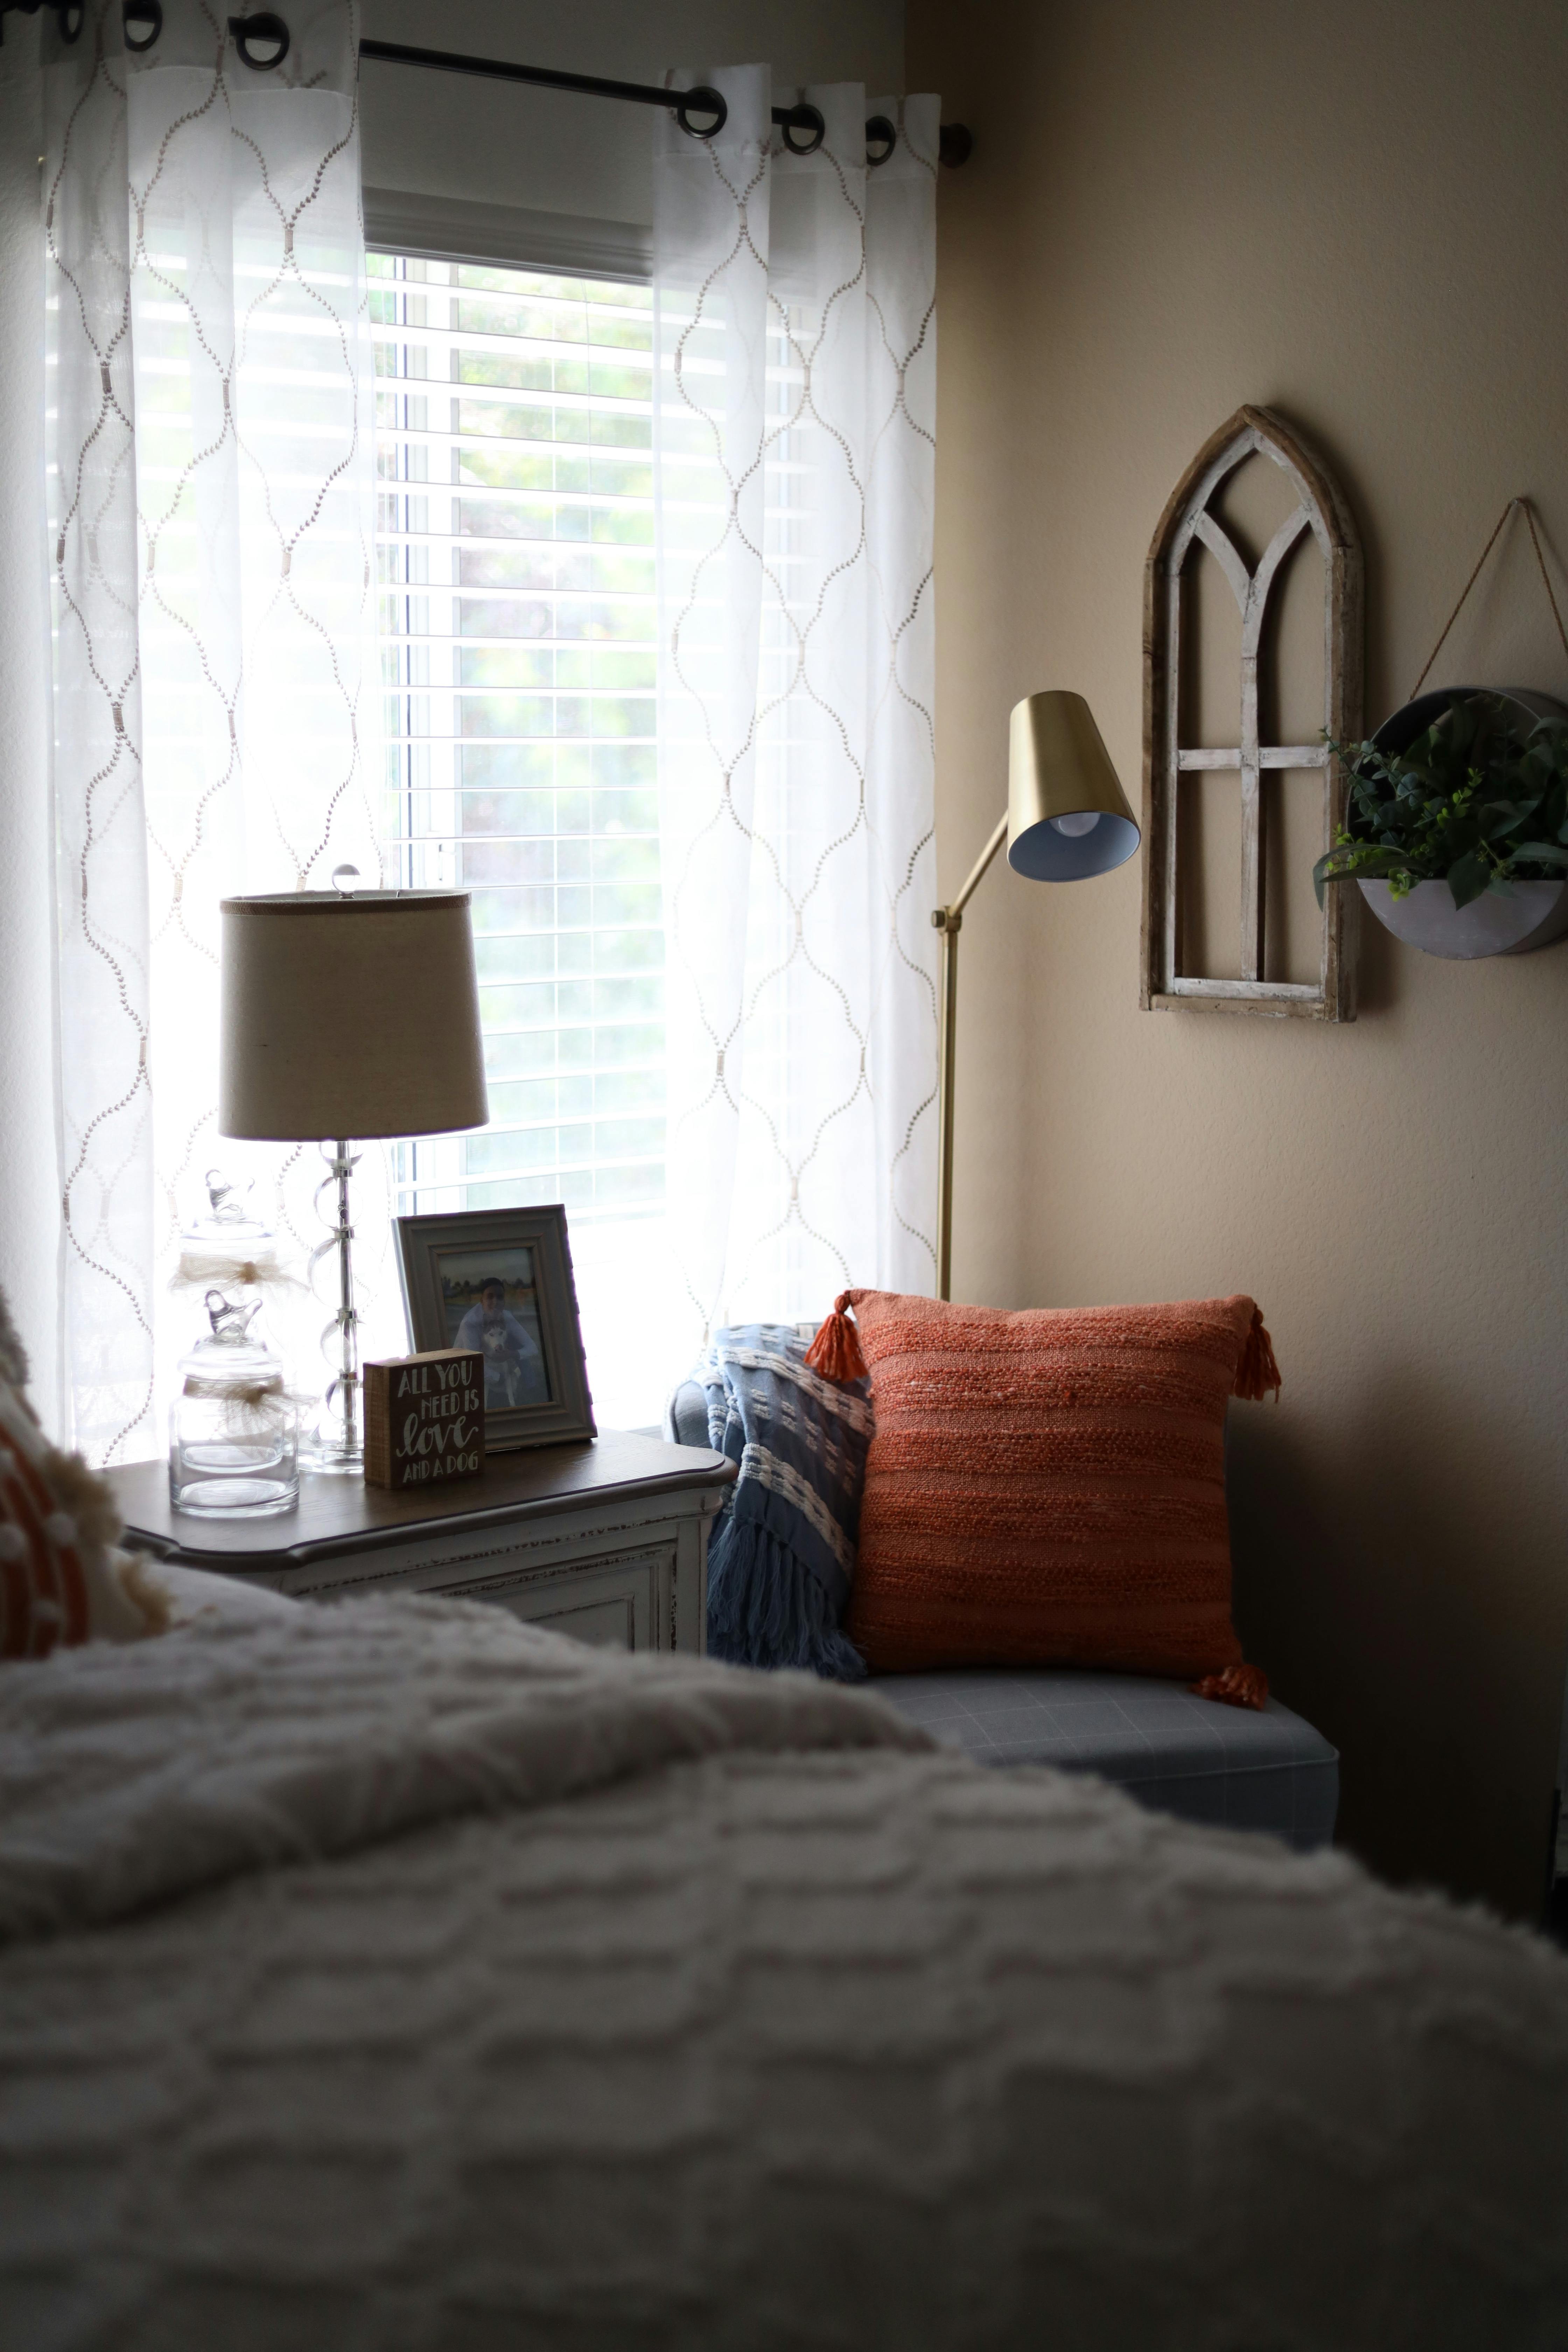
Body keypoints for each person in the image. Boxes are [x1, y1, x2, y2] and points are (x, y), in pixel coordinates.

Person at [453, 1275, 548, 1409]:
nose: (496, 1301)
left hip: (497, 1357)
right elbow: (472, 1364)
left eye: (500, 1297)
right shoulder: (470, 1323)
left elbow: (532, 1348)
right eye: (490, 1297)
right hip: (468, 1368)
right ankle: (491, 1392)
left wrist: (512, 1354)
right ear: (482, 1300)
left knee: (517, 1343)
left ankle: (531, 1389)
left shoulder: (507, 1317)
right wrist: (501, 1378)